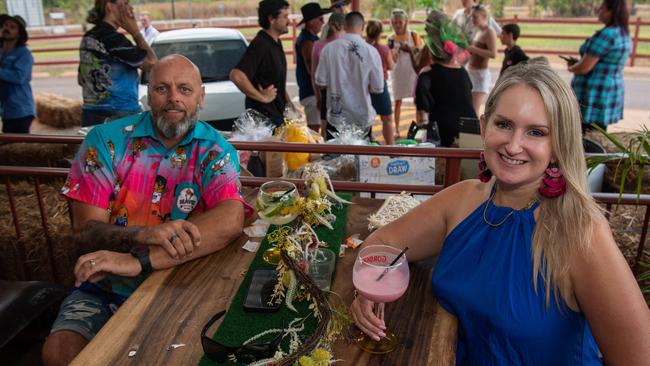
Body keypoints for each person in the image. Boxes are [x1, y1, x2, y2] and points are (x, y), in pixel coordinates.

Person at [350, 61, 650, 365]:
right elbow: (383, 242)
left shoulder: (581, 232)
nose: (513, 145)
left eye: (536, 132)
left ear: (559, 144)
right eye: (504, 124)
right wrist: (368, 290)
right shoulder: (462, 200)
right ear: (483, 127)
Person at [41, 55, 250, 366]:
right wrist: (145, 234)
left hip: (180, 280)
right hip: (104, 284)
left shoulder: (216, 149)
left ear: (201, 97)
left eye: (185, 89)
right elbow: (85, 233)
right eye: (162, 88)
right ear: (147, 93)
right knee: (59, 354)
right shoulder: (106, 141)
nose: (174, 98)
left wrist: (138, 260)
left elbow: (230, 220)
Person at [78, 0, 157, 127]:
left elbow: (81, 79)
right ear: (110, 6)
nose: (130, 8)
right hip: (119, 116)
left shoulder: (88, 37)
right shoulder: (113, 39)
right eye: (125, 3)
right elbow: (152, 64)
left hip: (90, 114)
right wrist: (135, 32)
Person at [314, 11, 383, 137]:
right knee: (361, 155)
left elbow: (320, 82)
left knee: (335, 155)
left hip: (337, 116)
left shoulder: (329, 49)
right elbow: (377, 88)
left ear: (344, 26)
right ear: (362, 27)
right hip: (362, 115)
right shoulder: (371, 52)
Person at [568, 0, 631, 131]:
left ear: (612, 12)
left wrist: (572, 67)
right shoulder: (623, 33)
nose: (599, 11)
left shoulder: (607, 35)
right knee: (599, 131)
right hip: (609, 90)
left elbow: (584, 68)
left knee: (586, 133)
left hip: (593, 92)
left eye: (602, 9)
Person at [415, 11, 475, 147]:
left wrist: (420, 138)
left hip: (443, 131)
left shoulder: (427, 74)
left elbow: (423, 111)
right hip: (470, 129)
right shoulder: (463, 72)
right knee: (467, 166)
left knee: (445, 166)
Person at [230, 0, 291, 127]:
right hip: (263, 121)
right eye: (284, 17)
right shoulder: (260, 44)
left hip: (277, 116)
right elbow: (236, 75)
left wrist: (290, 105)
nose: (289, 21)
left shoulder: (275, 43)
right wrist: (262, 97)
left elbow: (277, 82)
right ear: (271, 19)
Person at [388, 8, 423, 139]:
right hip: (398, 72)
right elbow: (390, 56)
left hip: (412, 71)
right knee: (397, 101)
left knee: (416, 100)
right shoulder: (391, 38)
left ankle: (418, 128)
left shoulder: (413, 35)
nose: (397, 25)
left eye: (400, 22)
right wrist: (394, 55)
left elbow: (420, 52)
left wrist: (409, 49)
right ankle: (396, 129)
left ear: (406, 22)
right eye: (395, 22)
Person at [295, 3, 329, 132]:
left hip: (311, 90)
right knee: (315, 128)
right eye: (320, 19)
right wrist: (319, 94)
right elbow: (312, 70)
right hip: (312, 91)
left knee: (318, 126)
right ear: (310, 22)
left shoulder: (310, 38)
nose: (323, 22)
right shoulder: (307, 41)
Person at [311, 12, 345, 140]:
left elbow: (314, 75)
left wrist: (318, 96)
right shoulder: (344, 44)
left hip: (326, 92)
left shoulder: (318, 45)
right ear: (343, 26)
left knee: (325, 128)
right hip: (343, 91)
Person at [0, 15, 35, 133]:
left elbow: (20, 77)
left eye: (12, 27)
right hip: (6, 110)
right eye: (5, 25)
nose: (6, 28)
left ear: (19, 34)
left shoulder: (24, 54)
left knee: (19, 148)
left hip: (21, 109)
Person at [366, 19, 395, 145]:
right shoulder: (383, 49)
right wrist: (394, 56)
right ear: (380, 34)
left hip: (364, 85)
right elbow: (391, 66)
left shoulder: (363, 48)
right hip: (380, 85)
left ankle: (366, 144)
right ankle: (391, 147)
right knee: (387, 118)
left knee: (365, 118)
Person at [466, 5, 497, 116]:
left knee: (474, 110)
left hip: (480, 74)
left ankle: (476, 132)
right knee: (467, 107)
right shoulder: (477, 31)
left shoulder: (489, 32)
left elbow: (493, 54)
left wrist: (473, 49)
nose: (473, 20)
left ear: (484, 16)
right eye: (471, 17)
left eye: (475, 17)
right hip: (470, 71)